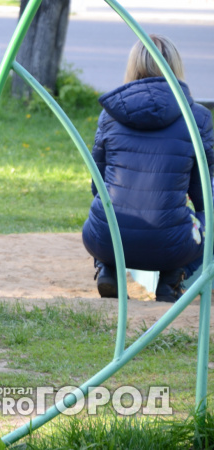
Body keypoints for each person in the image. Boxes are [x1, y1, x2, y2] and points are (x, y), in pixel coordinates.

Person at [82, 34, 214, 303]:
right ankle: (172, 277)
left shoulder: (110, 114)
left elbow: (98, 184)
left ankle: (107, 267)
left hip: (106, 239)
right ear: (175, 67)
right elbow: (204, 195)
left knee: (107, 206)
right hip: (170, 245)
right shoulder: (197, 117)